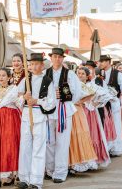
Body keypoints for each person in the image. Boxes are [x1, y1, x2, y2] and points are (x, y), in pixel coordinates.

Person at [17, 53, 56, 189]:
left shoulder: (48, 81)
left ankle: (36, 181)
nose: (33, 66)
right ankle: (24, 178)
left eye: (36, 64)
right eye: (31, 64)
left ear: (42, 65)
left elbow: (51, 103)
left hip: (39, 116)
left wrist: (37, 101)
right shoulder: (25, 80)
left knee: (38, 148)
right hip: (27, 116)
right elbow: (16, 100)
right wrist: (24, 98)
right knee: (25, 147)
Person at [44, 48, 82, 184]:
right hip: (48, 110)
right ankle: (49, 169)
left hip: (63, 109)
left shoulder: (70, 73)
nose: (57, 59)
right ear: (51, 58)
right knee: (49, 141)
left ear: (62, 59)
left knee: (63, 141)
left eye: (59, 57)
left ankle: (60, 172)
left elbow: (77, 91)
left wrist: (64, 97)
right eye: (54, 56)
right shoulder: (45, 73)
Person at [99, 55, 122, 157]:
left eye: (103, 62)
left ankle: (116, 148)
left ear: (108, 62)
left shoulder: (117, 74)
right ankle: (107, 147)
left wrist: (116, 92)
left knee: (116, 124)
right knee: (105, 124)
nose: (101, 63)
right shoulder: (100, 73)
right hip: (103, 103)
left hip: (113, 102)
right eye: (101, 62)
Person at [69, 67, 98, 172]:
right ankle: (71, 162)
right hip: (69, 110)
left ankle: (80, 161)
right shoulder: (73, 84)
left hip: (77, 110)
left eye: (82, 73)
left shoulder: (81, 85)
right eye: (78, 73)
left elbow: (92, 94)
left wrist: (79, 101)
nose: (80, 75)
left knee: (79, 133)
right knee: (71, 136)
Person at [83, 61, 111, 168]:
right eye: (87, 68)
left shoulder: (97, 82)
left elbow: (106, 94)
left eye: (90, 68)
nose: (88, 69)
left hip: (92, 112)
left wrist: (97, 103)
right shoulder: (76, 84)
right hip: (80, 112)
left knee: (93, 133)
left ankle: (93, 158)